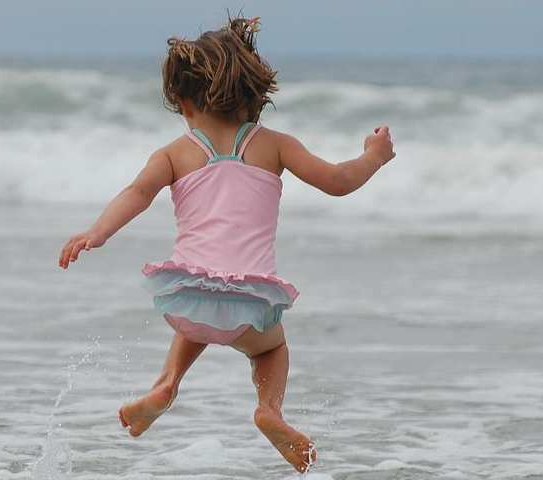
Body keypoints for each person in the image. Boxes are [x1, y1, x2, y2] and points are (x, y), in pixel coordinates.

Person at [58, 15, 395, 473]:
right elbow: (337, 181)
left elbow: (136, 194)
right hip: (250, 304)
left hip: (186, 297)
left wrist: (96, 232)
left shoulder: (174, 153)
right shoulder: (274, 145)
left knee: (199, 309)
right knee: (271, 350)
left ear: (184, 102)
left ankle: (166, 386)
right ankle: (269, 412)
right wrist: (373, 157)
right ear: (254, 94)